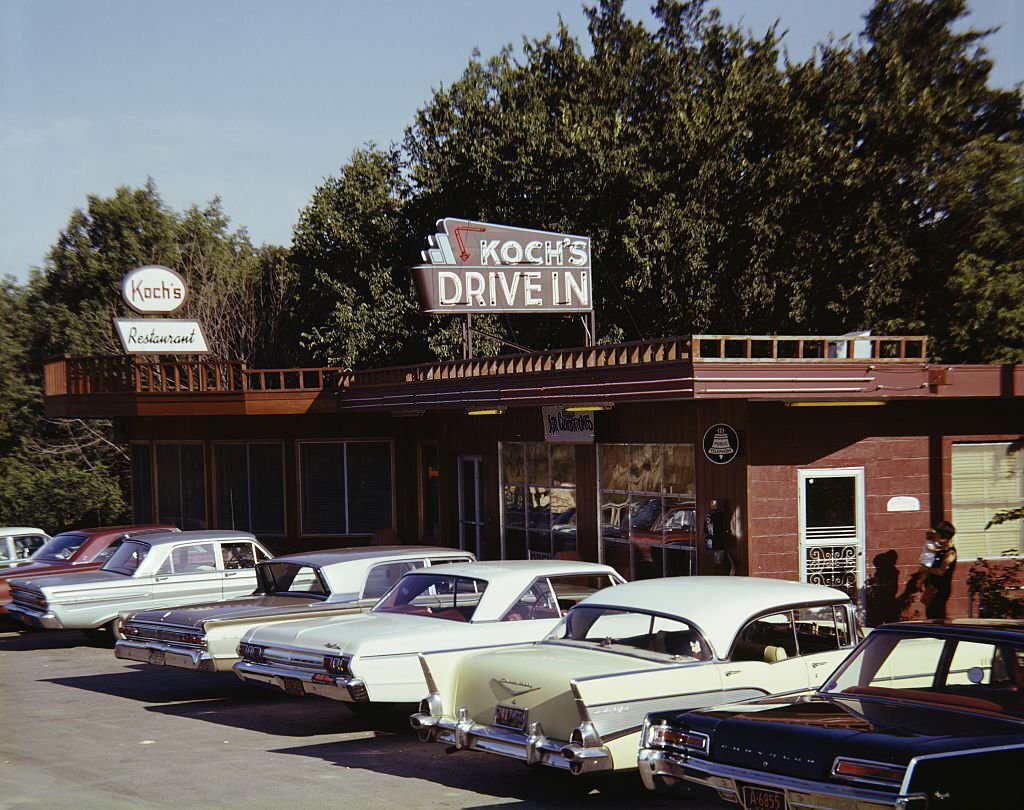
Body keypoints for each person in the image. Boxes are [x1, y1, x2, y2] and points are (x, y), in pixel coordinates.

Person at [915, 521, 958, 619]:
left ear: (943, 536)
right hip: (932, 587)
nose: (934, 536)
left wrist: (925, 569)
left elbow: (940, 571)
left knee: (936, 615)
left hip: (940, 589)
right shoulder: (940, 550)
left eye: (936, 534)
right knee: (930, 613)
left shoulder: (950, 553)